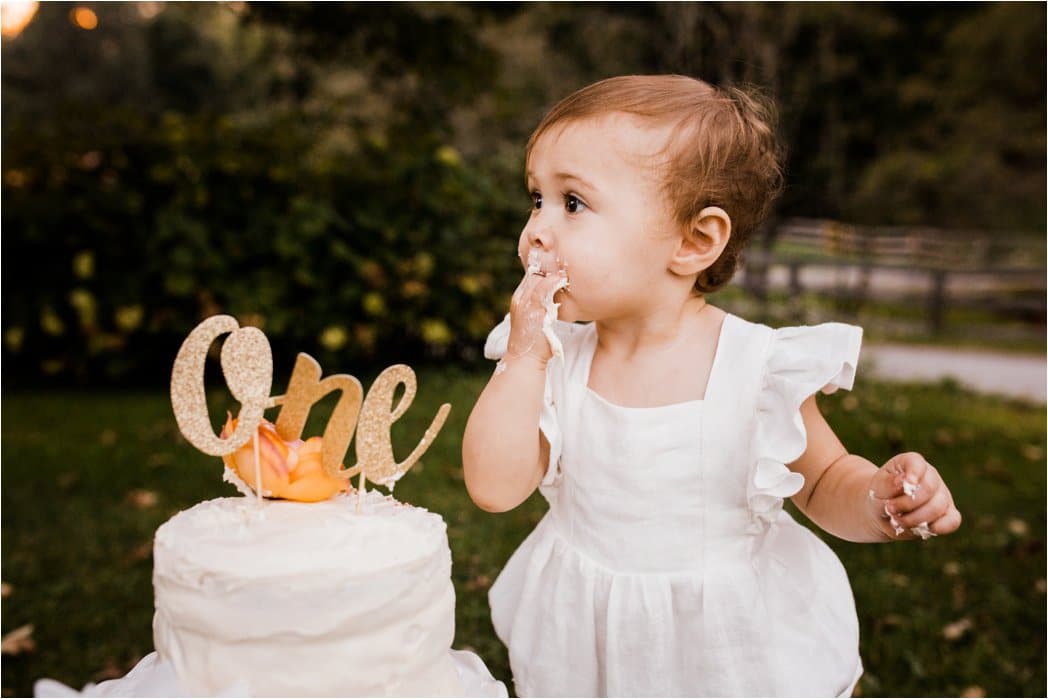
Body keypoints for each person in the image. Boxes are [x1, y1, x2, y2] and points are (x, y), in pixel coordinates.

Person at [461, 74, 962, 697]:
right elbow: (493, 487)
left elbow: (827, 479)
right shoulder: (554, 360)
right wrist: (524, 355)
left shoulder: (755, 368)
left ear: (694, 241)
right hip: (586, 630)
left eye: (574, 203)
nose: (537, 229)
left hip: (728, 644)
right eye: (537, 198)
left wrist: (876, 500)